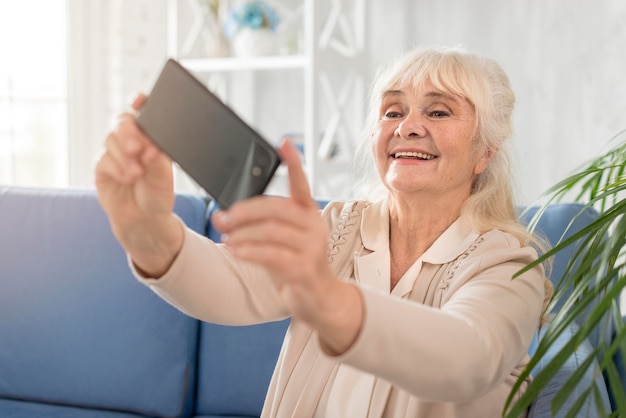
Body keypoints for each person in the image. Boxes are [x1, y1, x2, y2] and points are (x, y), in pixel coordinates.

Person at [95, 46, 551, 418]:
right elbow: (231, 286)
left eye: (438, 112)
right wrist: (147, 230)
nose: (408, 127)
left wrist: (324, 297)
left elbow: (467, 358)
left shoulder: (509, 265)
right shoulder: (340, 226)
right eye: (393, 111)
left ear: (484, 152)